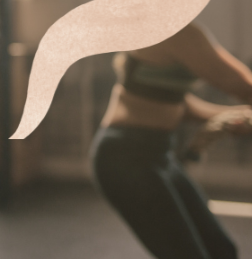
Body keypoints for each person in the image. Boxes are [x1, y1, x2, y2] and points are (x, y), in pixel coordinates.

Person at [91, 22, 252, 259]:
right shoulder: (178, 33)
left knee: (221, 251)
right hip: (125, 156)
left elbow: (174, 101)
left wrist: (228, 115)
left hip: (159, 153)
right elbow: (241, 86)